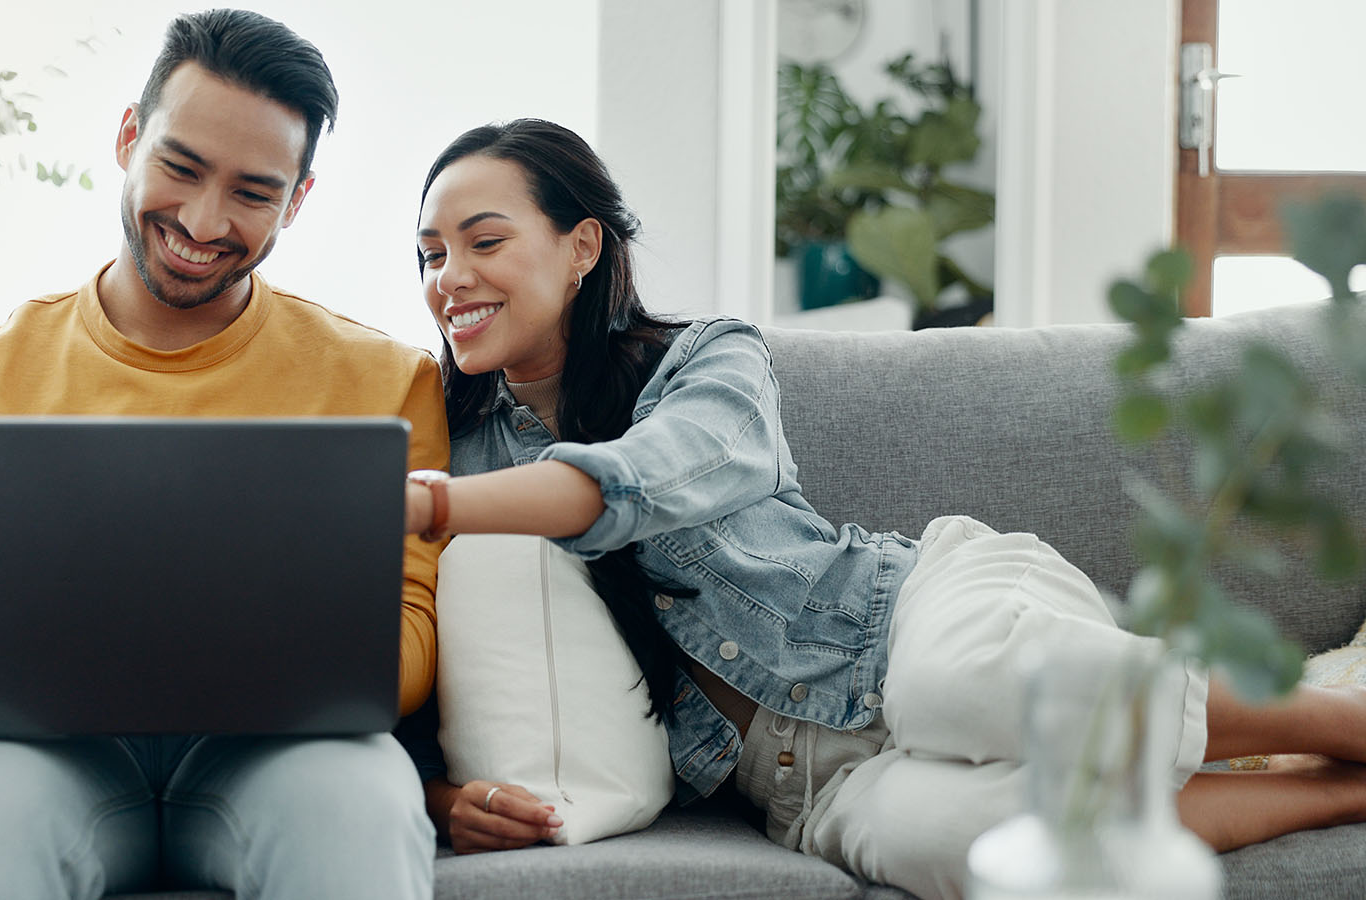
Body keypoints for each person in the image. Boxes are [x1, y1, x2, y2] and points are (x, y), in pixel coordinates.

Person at [396, 118, 1366, 900]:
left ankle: (1346, 723)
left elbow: (638, 481)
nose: (451, 279)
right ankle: (1341, 793)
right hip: (808, 783)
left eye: (484, 242)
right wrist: (443, 802)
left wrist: (429, 504)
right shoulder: (452, 439)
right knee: (980, 847)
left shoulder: (707, 362)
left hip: (911, 618)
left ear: (580, 247)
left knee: (963, 689)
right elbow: (412, 674)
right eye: (432, 254)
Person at [0, 10, 445, 900]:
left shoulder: (386, 381)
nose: (204, 221)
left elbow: (403, 649)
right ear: (129, 136)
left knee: (361, 806)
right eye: (181, 166)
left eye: (253, 191)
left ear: (299, 198)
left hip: (283, 761)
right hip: (35, 760)